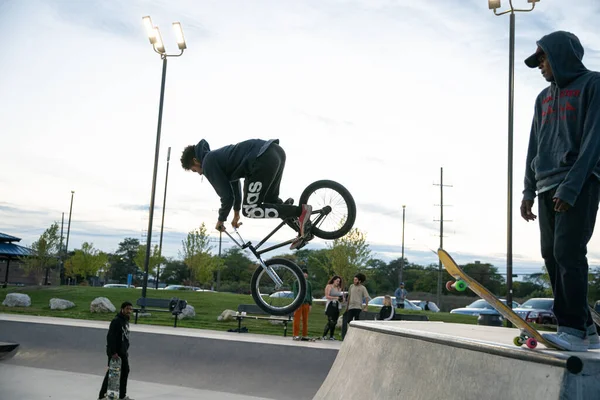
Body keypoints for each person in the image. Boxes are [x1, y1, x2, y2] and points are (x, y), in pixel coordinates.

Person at [521, 30, 600, 351]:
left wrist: (571, 186)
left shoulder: (593, 85)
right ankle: (584, 327)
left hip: (579, 182)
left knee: (569, 252)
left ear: (561, 55)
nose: (541, 65)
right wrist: (527, 190)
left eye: (543, 58)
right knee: (551, 255)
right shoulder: (543, 98)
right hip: (545, 184)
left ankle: (570, 327)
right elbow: (533, 145)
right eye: (538, 60)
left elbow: (596, 139)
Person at [181, 138, 312, 249]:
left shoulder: (208, 162)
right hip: (275, 152)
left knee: (250, 210)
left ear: (195, 161)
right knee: (270, 201)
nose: (199, 173)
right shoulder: (218, 158)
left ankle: (299, 212)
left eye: (195, 170)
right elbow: (234, 189)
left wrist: (221, 219)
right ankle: (304, 230)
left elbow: (226, 197)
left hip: (261, 158)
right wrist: (236, 213)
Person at [98, 301, 134, 400]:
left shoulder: (125, 321)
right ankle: (101, 396)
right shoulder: (116, 321)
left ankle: (122, 395)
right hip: (116, 353)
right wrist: (113, 352)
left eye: (130, 309)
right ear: (122, 309)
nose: (129, 311)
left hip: (123, 352)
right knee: (111, 374)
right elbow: (110, 338)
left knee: (125, 371)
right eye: (127, 309)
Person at [341, 273, 370, 340]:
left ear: (359, 281)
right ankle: (349, 334)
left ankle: (357, 336)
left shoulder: (363, 288)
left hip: (358, 307)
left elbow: (366, 297)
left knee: (357, 321)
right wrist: (347, 307)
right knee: (349, 320)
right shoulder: (351, 286)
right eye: (354, 279)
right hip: (351, 306)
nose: (354, 281)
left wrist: (366, 307)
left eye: (356, 280)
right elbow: (349, 296)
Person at [292, 267, 313, 340]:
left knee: (305, 320)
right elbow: (295, 293)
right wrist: (296, 303)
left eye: (306, 273)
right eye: (303, 273)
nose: (305, 274)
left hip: (306, 303)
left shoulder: (309, 283)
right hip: (299, 303)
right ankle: (295, 334)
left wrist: (310, 304)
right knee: (297, 319)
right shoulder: (296, 282)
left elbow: (310, 294)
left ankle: (304, 335)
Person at [322, 275, 344, 340]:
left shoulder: (339, 288)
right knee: (330, 321)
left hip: (337, 305)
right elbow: (327, 296)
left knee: (335, 321)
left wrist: (342, 299)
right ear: (334, 280)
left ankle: (331, 335)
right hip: (330, 304)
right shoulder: (329, 286)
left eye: (339, 281)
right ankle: (324, 335)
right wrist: (335, 298)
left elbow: (340, 296)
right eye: (337, 281)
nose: (338, 282)